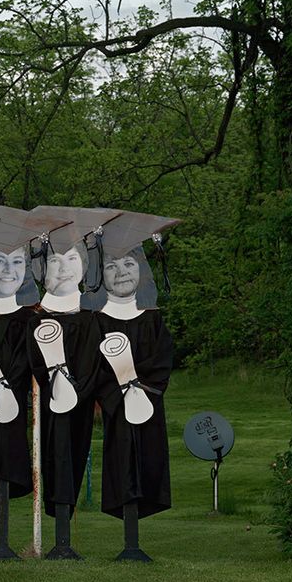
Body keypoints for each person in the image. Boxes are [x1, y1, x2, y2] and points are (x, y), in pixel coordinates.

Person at [0, 203, 73, 560]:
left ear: (27, 269)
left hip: (20, 405)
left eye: (17, 262)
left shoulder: (33, 319)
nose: (9, 270)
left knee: (14, 452)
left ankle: (19, 538)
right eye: (0, 261)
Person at [26, 206, 122, 559]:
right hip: (49, 403)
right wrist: (52, 383)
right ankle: (56, 534)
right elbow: (34, 362)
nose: (63, 267)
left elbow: (95, 363)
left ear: (83, 266)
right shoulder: (34, 320)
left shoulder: (92, 321)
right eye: (54, 261)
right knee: (51, 458)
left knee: (72, 456)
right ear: (43, 268)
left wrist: (77, 390)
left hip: (79, 403)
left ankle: (65, 537)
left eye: (71, 259)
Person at [87, 212, 180, 561]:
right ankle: (127, 541)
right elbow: (93, 366)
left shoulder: (152, 319)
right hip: (115, 408)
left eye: (129, 263)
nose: (122, 271)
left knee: (146, 462)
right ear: (100, 274)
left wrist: (141, 390)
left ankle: (136, 540)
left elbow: (162, 360)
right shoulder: (97, 322)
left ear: (141, 271)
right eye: (111, 265)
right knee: (121, 463)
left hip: (147, 406)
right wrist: (116, 394)